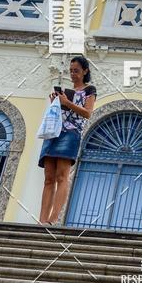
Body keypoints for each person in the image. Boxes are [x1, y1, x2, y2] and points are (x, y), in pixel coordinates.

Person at [38, 55, 96, 225]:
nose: (72, 74)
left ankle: (53, 218)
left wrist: (66, 102)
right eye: (71, 71)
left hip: (70, 133)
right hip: (53, 132)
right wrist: (56, 102)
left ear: (85, 71)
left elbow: (87, 113)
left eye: (76, 71)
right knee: (48, 178)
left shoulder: (89, 90)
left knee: (62, 176)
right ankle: (42, 220)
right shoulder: (66, 92)